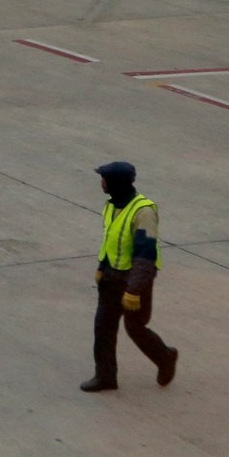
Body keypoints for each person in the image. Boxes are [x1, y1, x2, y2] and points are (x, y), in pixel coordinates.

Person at [85, 159, 177, 391]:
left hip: (134, 280)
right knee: (103, 327)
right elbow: (111, 241)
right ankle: (105, 376)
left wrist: (134, 290)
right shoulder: (111, 206)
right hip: (110, 277)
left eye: (104, 180)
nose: (101, 184)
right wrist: (101, 267)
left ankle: (165, 357)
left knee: (135, 328)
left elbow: (145, 255)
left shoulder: (143, 211)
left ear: (116, 183)